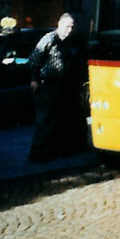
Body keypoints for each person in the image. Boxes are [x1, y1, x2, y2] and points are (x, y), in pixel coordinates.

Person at [27, 13, 87, 161]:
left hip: (67, 85)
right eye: (67, 26)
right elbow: (34, 60)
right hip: (48, 84)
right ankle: (38, 154)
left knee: (66, 118)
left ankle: (63, 151)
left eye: (72, 27)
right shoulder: (49, 39)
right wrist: (34, 80)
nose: (69, 30)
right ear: (59, 25)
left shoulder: (73, 41)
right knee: (45, 119)